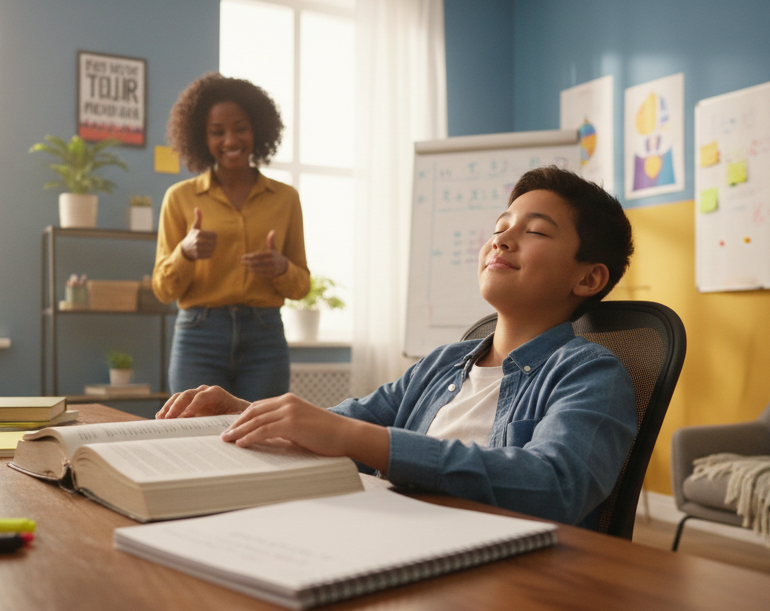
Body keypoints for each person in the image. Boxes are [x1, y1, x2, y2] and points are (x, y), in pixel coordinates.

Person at [157, 166, 638, 528]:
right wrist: (244, 411)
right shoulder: (443, 365)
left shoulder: (590, 372)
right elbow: (339, 425)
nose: (502, 239)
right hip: (400, 541)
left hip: (508, 582)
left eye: (533, 231)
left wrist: (364, 441)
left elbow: (556, 486)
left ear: (588, 277)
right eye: (500, 226)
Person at [152, 73, 310, 401]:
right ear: (200, 136)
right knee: (192, 438)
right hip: (199, 336)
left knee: (263, 441)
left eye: (240, 128)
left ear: (258, 130)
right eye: (217, 132)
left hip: (264, 337)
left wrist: (281, 267)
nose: (230, 140)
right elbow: (163, 289)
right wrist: (185, 252)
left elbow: (301, 286)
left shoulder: (286, 199)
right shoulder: (179, 197)